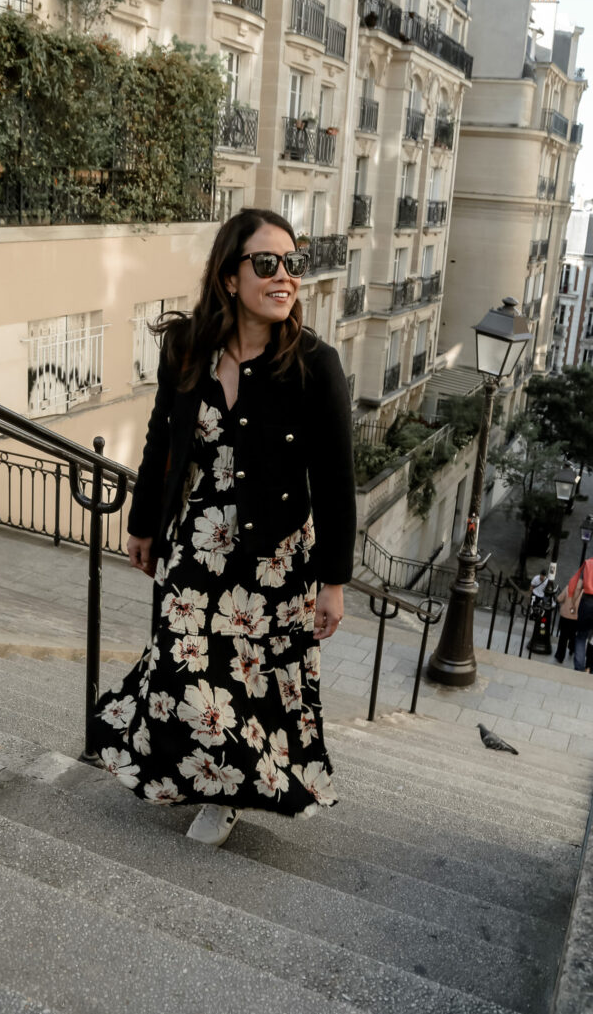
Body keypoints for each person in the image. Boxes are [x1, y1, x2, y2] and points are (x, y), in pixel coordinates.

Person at [92, 208, 356, 845]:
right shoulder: (188, 348)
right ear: (230, 276)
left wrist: (334, 582)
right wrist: (146, 524)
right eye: (267, 263)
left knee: (251, 681)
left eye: (292, 264)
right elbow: (163, 440)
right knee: (183, 667)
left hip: (276, 555)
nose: (284, 276)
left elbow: (336, 479)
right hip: (197, 542)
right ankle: (190, 771)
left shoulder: (315, 366)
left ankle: (229, 794)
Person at [567, 557, 593, 672]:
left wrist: (573, 603)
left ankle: (579, 668)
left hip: (587, 602)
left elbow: (578, 587)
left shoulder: (589, 564)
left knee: (581, 636)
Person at [554, 577, 579, 664]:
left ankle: (560, 656)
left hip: (565, 616)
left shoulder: (568, 588)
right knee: (573, 635)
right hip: (575, 618)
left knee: (563, 637)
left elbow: (559, 599)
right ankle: (572, 648)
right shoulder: (583, 592)